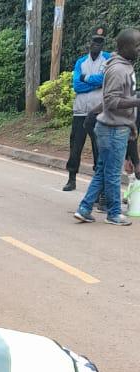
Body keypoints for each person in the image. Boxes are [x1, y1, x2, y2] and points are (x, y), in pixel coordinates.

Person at [75, 28, 140, 226]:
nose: (139, 49)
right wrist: (137, 102)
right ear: (125, 47)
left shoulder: (123, 66)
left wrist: (131, 123)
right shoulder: (119, 69)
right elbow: (111, 101)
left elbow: (109, 99)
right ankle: (113, 213)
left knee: (103, 170)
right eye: (137, 46)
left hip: (115, 126)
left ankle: (84, 208)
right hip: (113, 129)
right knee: (111, 173)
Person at [63, 26, 110, 192]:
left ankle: (99, 186)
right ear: (89, 43)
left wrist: (87, 79)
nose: (96, 44)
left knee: (99, 147)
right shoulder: (80, 62)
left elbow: (105, 80)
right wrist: (95, 83)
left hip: (99, 112)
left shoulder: (108, 59)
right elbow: (76, 85)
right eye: (94, 41)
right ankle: (71, 178)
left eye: (100, 42)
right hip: (80, 111)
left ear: (103, 43)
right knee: (75, 146)